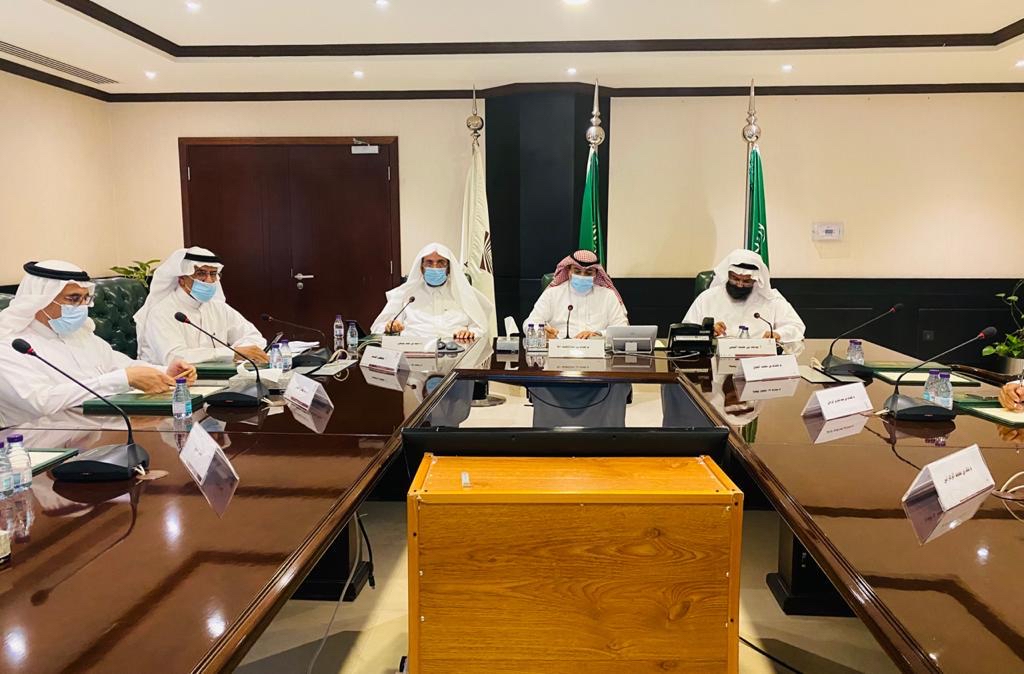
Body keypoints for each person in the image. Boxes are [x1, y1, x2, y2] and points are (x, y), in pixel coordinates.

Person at [0, 260, 195, 422]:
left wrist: (165, 372)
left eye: (85, 298)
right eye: (73, 299)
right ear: (41, 300)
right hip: (37, 444)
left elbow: (122, 365)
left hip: (98, 429)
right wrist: (123, 379)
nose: (82, 307)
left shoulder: (80, 335)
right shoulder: (10, 345)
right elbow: (42, 402)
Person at [135, 247, 268, 366]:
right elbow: (174, 358)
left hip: (213, 378)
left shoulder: (218, 307)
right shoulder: (162, 311)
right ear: (181, 280)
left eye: (213, 274)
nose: (209, 280)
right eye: (201, 273)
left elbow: (254, 337)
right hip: (169, 381)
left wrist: (242, 351)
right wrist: (232, 353)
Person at [370, 243, 494, 341]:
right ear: (421, 267)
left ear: (449, 268)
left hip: (455, 353)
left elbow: (481, 327)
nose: (434, 267)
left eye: (441, 263)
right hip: (414, 355)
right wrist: (389, 327)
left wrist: (470, 333)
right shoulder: (406, 295)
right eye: (429, 263)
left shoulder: (464, 293)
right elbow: (377, 328)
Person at [683, 249, 805, 343]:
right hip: (715, 361)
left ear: (756, 280)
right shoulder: (707, 298)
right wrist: (707, 331)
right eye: (735, 279)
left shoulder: (771, 299)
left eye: (746, 281)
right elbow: (685, 332)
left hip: (759, 362)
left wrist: (779, 334)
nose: (740, 285)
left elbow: (796, 327)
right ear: (727, 274)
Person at [526, 250, 628, 339]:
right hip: (559, 349)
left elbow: (622, 329)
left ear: (596, 274)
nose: (582, 276)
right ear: (568, 271)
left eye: (588, 272)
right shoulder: (552, 294)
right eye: (577, 271)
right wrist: (543, 333)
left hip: (597, 350)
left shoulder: (608, 296)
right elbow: (529, 323)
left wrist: (598, 334)